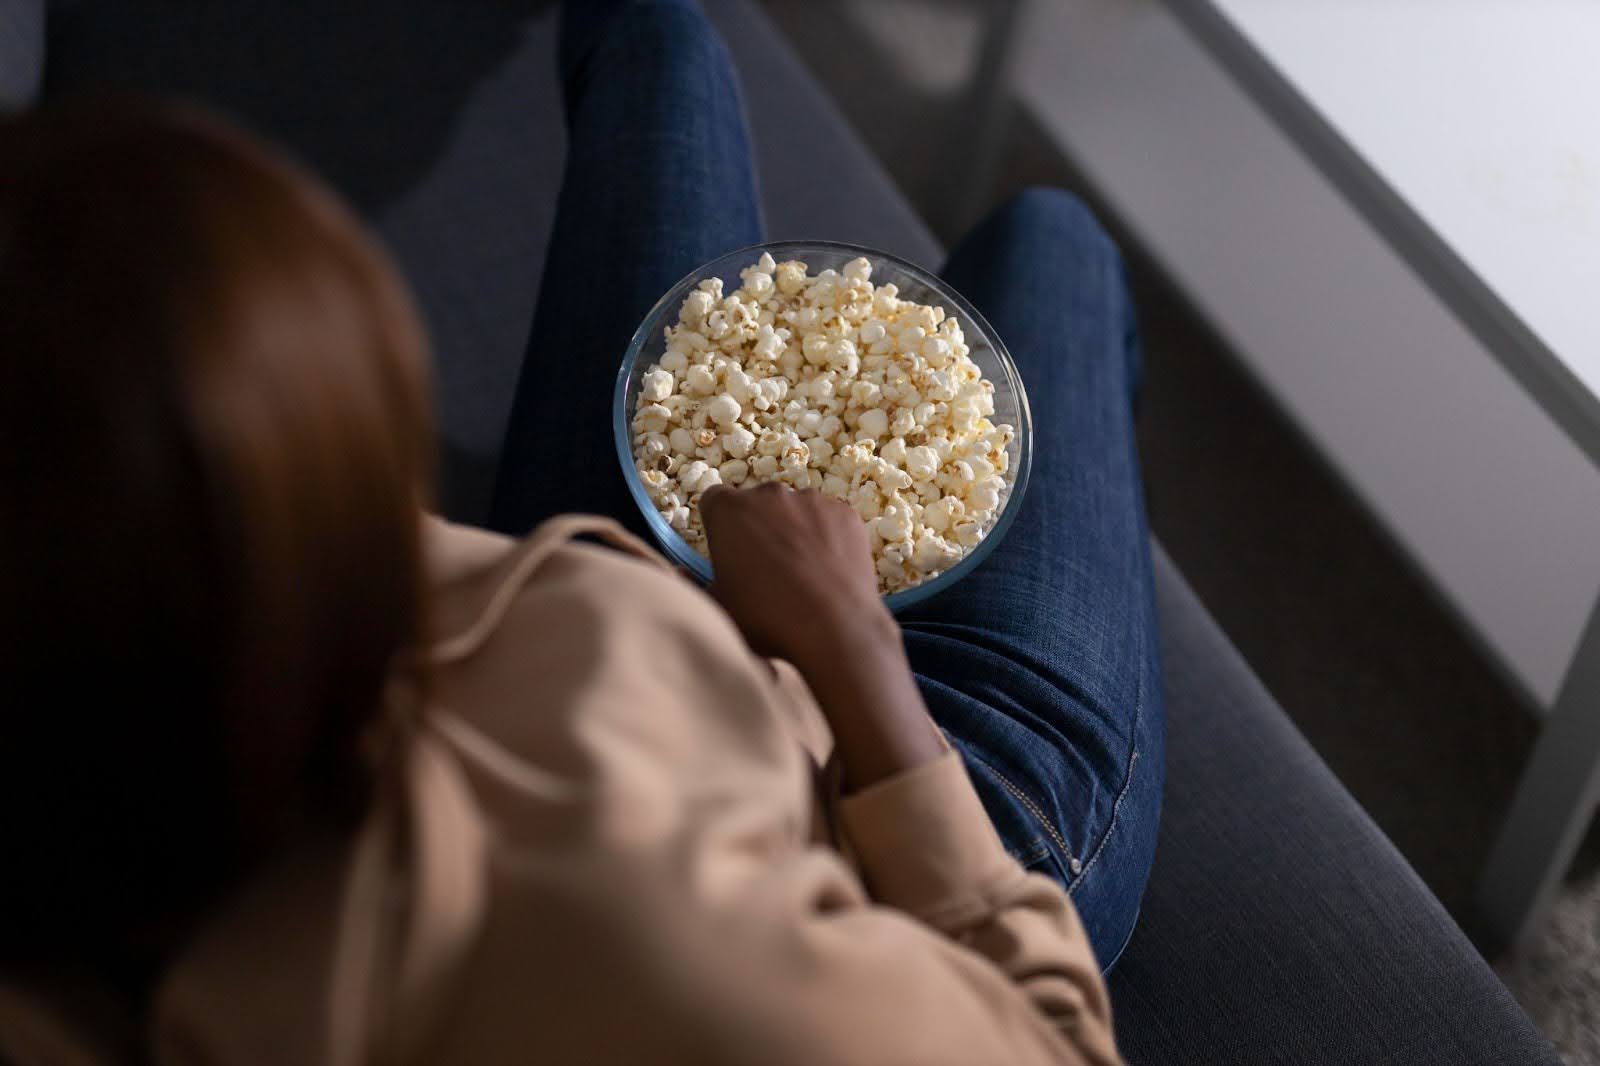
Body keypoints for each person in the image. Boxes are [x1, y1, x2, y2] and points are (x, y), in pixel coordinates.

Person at [0, 1, 1161, 1062]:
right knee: (1053, 242)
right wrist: (853, 649)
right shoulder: (647, 934)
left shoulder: (119, 667)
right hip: (912, 796)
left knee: (654, 44)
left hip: (630, 597)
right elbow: (1054, 1041)